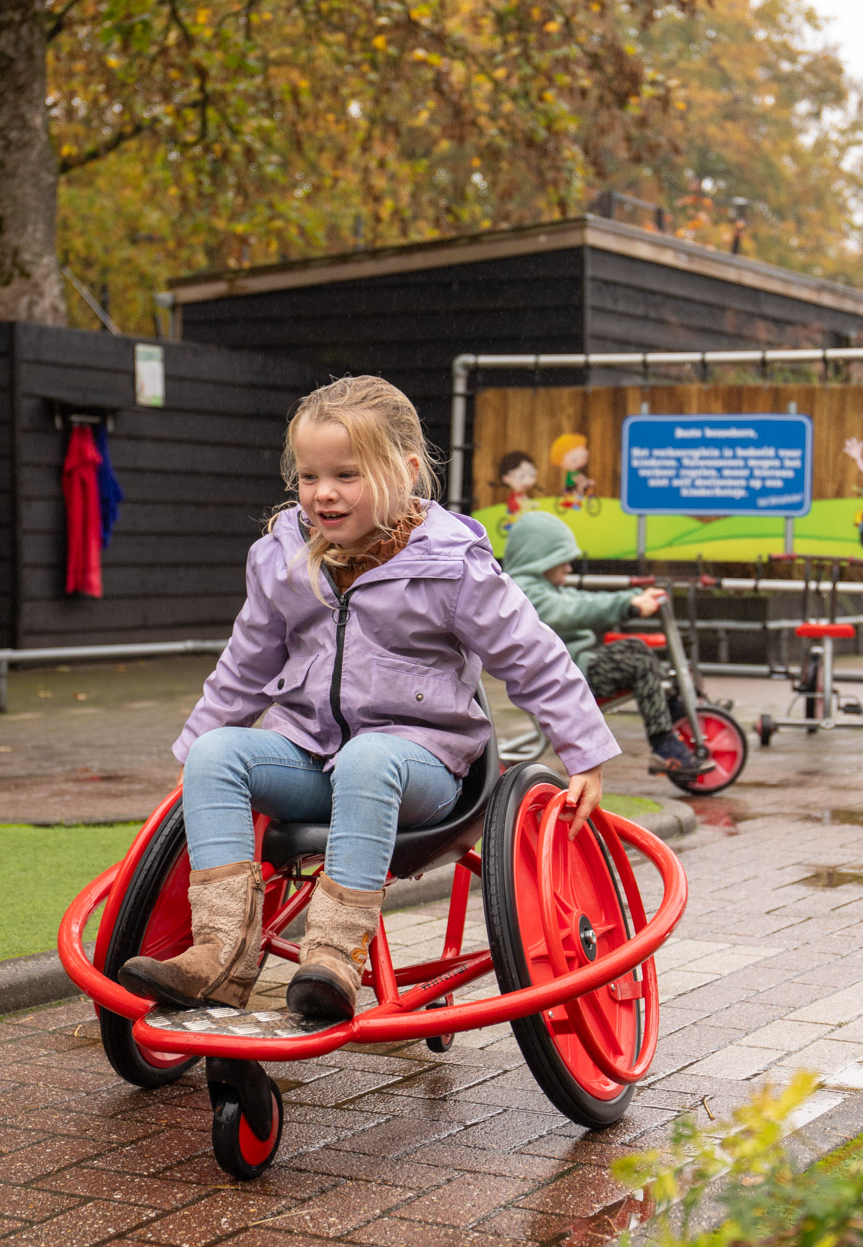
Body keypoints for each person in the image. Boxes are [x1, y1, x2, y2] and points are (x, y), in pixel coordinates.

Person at [119, 377, 619, 1023]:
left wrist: (585, 753)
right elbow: (246, 661)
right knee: (218, 753)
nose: (322, 492)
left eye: (346, 474)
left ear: (407, 471)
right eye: (308, 475)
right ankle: (219, 951)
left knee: (370, 758)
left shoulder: (450, 565)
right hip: (313, 756)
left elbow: (532, 654)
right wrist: (197, 747)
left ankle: (331, 955)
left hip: (424, 768)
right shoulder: (284, 558)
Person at [502, 510, 715, 777]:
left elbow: (582, 600)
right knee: (638, 662)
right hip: (564, 677)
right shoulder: (525, 593)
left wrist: (634, 597)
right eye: (562, 560)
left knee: (636, 648)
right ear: (539, 557)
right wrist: (626, 605)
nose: (569, 567)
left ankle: (673, 711)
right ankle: (665, 746)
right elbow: (572, 609)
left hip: (574, 667)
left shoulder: (542, 587)